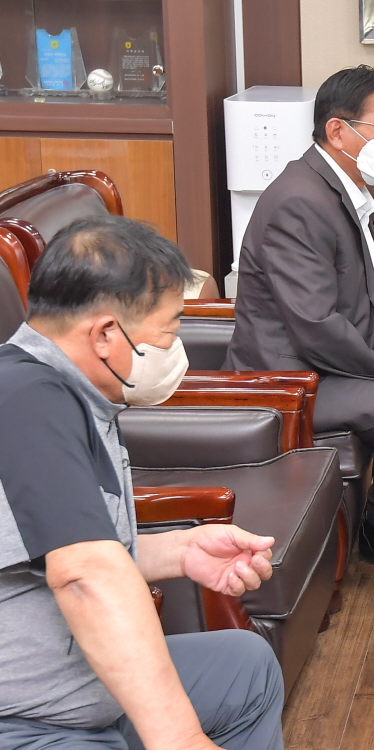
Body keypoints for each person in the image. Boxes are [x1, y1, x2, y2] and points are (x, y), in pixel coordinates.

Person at [0, 216, 283, 750]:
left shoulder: (69, 394)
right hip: (27, 718)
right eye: (169, 332)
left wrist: (181, 550)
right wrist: (180, 737)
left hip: (82, 689)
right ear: (106, 334)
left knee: (245, 668)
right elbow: (84, 574)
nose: (174, 349)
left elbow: (59, 549)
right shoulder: (28, 403)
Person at [226, 65, 374, 583]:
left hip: (334, 354)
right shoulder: (299, 201)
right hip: (294, 377)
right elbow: (315, 324)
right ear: (338, 130)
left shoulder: (340, 185)